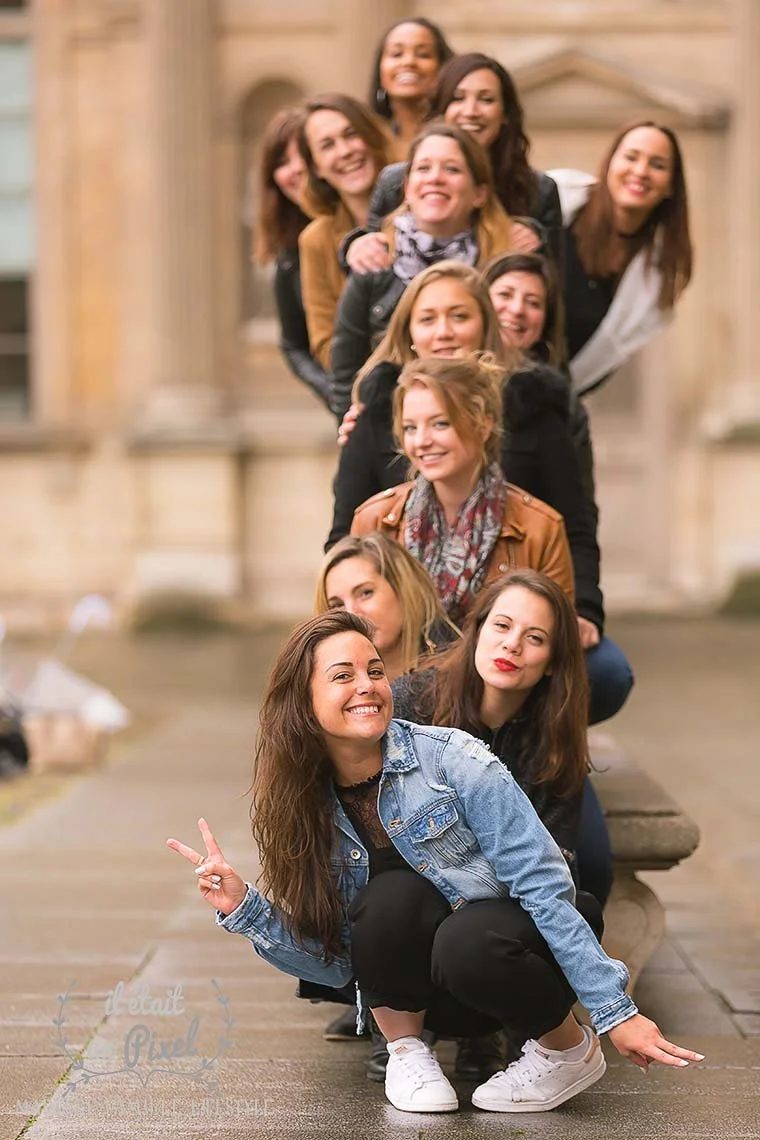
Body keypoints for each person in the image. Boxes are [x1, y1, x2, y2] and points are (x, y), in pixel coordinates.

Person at [167, 610, 704, 1116]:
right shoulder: (304, 805)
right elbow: (340, 965)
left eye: (375, 670)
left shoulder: (452, 758)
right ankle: (408, 1055)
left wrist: (616, 1011)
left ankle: (564, 1052)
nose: (368, 686)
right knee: (387, 901)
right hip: (433, 993)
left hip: (512, 959)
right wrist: (246, 910)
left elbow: (544, 886)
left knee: (463, 938)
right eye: (342, 675)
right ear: (302, 702)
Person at [312, 532, 458, 1045]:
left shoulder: (448, 678)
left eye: (365, 593)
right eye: (337, 602)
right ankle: (370, 999)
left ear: (404, 591)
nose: (351, 609)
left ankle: (438, 1018)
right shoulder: (327, 682)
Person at [483, 251, 635, 730]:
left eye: (533, 302)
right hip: (458, 596)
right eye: (505, 295)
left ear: (546, 321)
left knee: (607, 673)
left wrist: (583, 606)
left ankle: (542, 749)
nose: (517, 309)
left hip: (529, 588)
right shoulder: (436, 390)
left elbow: (579, 520)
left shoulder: (554, 405)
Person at [350, 355, 574, 627]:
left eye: (440, 423)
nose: (421, 441)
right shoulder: (373, 520)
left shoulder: (541, 528)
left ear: (483, 426)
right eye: (410, 428)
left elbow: (554, 643)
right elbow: (352, 633)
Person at [330, 121, 514, 419]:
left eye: (452, 169)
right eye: (423, 168)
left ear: (479, 194)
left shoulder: (501, 270)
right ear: (406, 188)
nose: (435, 179)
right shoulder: (374, 264)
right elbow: (345, 375)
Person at [350, 52, 562, 275]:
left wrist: (538, 245)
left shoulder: (539, 190)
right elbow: (370, 255)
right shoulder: (394, 181)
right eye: (458, 98)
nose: (470, 112)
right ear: (441, 109)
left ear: (505, 114)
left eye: (486, 99)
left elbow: (556, 288)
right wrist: (355, 246)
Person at [549, 120, 693, 397]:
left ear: (670, 187)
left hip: (551, 410)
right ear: (609, 164)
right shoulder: (552, 198)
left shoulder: (654, 288)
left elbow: (595, 369)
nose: (640, 172)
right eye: (631, 157)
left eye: (658, 165)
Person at [297, 95, 393, 375]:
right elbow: (325, 343)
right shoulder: (316, 240)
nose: (345, 151)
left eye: (351, 135)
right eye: (327, 145)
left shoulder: (420, 210)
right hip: (367, 392)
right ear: (316, 167)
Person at [254, 107, 331, 409]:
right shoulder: (288, 258)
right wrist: (333, 392)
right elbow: (293, 345)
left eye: (305, 155)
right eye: (283, 162)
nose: (297, 169)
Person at [367, 18, 454, 155]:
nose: (408, 62)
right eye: (397, 54)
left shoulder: (456, 138)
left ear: (442, 67)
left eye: (423, 55)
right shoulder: (368, 144)